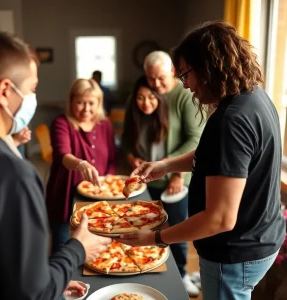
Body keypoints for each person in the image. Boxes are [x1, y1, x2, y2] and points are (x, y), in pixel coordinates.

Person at [117, 21, 286, 300]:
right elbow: (221, 158)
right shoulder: (254, 96)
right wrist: (166, 165)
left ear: (207, 67)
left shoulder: (231, 121)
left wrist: (155, 238)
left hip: (234, 252)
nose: (186, 85)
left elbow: (219, 219)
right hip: (261, 237)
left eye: (185, 75)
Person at [0, 29, 111, 300]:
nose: (34, 98)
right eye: (32, 89)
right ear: (5, 91)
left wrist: (53, 276)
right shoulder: (14, 176)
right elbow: (34, 292)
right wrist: (77, 248)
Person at [141, 50, 203, 296]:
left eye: (160, 78)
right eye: (150, 78)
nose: (155, 84)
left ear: (173, 73)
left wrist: (176, 173)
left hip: (176, 178)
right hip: (151, 175)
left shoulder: (184, 95)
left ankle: (182, 274)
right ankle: (158, 274)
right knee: (153, 224)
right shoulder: (147, 94)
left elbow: (195, 139)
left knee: (177, 225)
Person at [46, 78, 117, 253]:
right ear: (71, 102)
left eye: (91, 103)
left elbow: (112, 159)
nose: (86, 108)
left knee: (96, 251)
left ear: (99, 103)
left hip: (96, 200)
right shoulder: (61, 122)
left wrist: (108, 178)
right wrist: (80, 164)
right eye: (80, 102)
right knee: (61, 248)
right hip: (65, 196)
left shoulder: (105, 124)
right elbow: (63, 155)